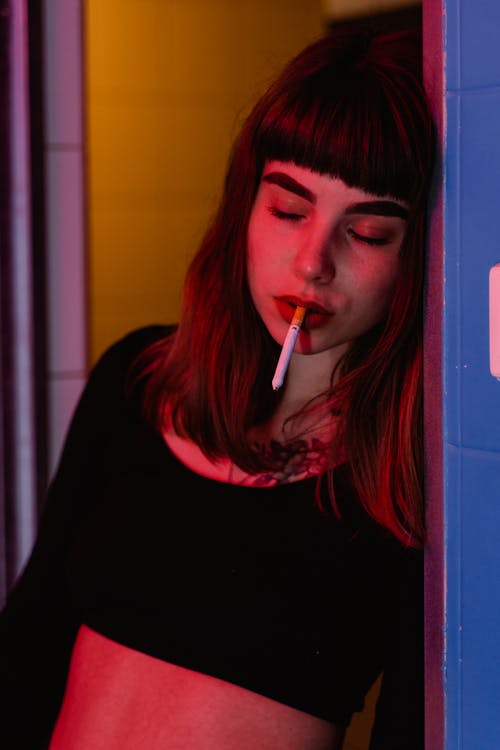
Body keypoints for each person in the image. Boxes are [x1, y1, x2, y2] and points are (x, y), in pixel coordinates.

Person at [0, 25, 435, 750]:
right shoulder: (136, 381)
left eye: (367, 232)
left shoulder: (409, 479)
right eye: (289, 209)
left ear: (416, 255)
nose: (312, 264)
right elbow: (29, 641)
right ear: (243, 210)